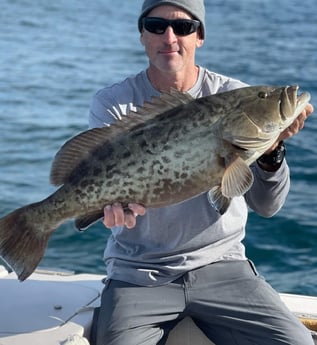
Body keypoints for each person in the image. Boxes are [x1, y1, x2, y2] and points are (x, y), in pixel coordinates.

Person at [89, 0, 314, 344]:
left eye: (183, 27)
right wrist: (108, 207)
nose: (169, 37)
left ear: (200, 36)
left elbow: (268, 206)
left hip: (224, 268)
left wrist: (271, 150)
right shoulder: (115, 103)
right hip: (139, 275)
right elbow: (98, 176)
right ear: (142, 35)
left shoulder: (231, 94)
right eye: (155, 25)